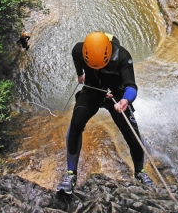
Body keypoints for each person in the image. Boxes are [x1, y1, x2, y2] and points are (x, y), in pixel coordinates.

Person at [56, 31, 154, 194]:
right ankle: (71, 174)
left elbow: (131, 86)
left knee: (132, 134)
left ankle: (140, 173)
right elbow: (77, 61)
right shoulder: (78, 51)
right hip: (91, 92)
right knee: (76, 122)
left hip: (116, 96)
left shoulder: (122, 57)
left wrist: (125, 100)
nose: (98, 68)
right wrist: (80, 74)